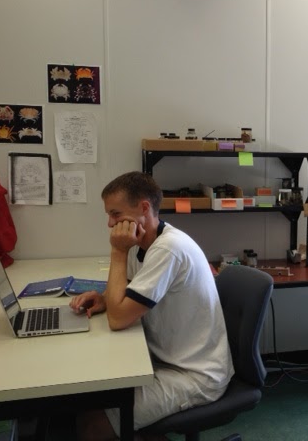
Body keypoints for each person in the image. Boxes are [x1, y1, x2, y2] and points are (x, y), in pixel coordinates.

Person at [70, 171, 234, 441]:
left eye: (115, 213)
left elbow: (118, 319)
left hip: (194, 375)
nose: (110, 224)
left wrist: (117, 251)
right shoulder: (143, 243)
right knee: (89, 400)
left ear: (143, 208)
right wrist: (104, 299)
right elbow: (127, 293)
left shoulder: (168, 249)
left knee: (92, 427)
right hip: (163, 359)